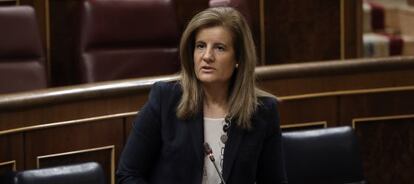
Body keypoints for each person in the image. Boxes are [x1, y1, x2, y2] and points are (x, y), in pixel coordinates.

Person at [116, 7, 287, 184]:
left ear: (239, 58)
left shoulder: (262, 110)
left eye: (219, 48)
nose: (207, 56)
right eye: (200, 46)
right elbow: (127, 174)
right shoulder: (165, 98)